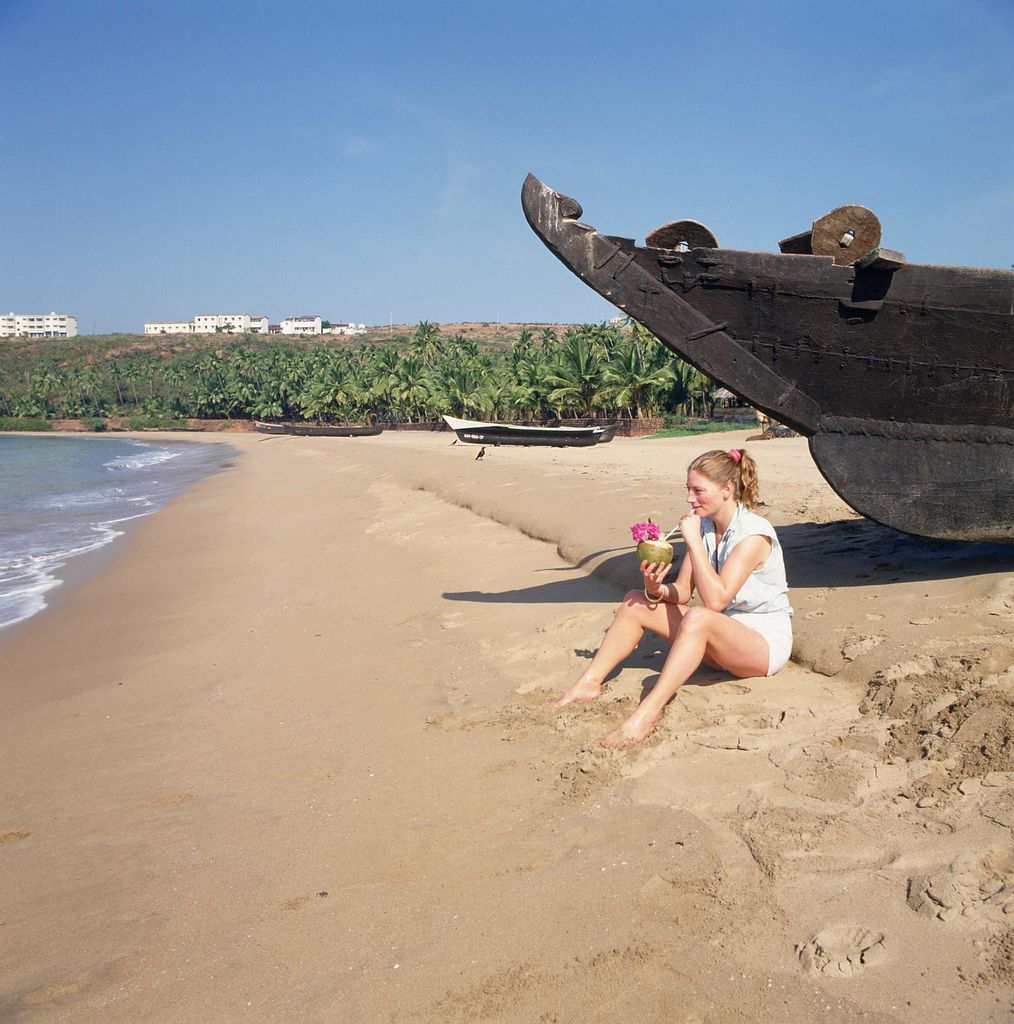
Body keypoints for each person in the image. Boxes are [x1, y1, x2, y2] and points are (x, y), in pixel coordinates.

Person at [550, 448, 792, 749]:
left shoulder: (753, 535)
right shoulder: (706, 527)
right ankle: (588, 684)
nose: (690, 499)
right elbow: (683, 592)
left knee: (700, 616)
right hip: (721, 636)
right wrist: (656, 588)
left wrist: (692, 542)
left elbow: (716, 601)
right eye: (688, 489)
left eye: (698, 491)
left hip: (762, 645)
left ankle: (648, 713)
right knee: (635, 601)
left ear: (727, 490)